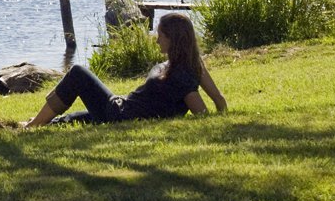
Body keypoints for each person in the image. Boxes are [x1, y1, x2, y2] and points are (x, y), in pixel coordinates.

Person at [22, 12, 226, 128]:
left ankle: (33, 126)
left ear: (174, 39)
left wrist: (214, 125)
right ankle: (43, 122)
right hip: (124, 108)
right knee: (79, 118)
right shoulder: (193, 64)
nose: (157, 41)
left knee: (77, 73)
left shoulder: (181, 78)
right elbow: (219, 100)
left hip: (120, 114)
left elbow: (201, 114)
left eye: (161, 36)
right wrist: (221, 113)